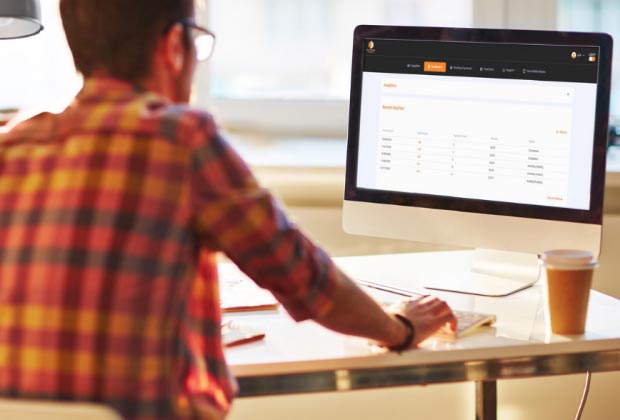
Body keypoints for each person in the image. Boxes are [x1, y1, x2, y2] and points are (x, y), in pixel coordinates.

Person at [0, 1, 456, 419]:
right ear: (174, 45)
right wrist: (398, 327)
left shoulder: (14, 144)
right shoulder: (180, 139)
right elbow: (305, 277)